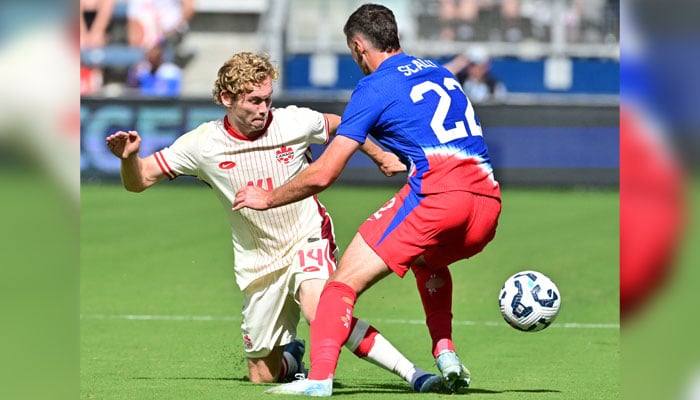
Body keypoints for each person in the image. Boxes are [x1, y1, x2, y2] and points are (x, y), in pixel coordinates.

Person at [105, 52, 444, 392]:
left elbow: (343, 124)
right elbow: (139, 181)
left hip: (307, 236)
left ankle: (414, 375)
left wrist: (382, 156)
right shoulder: (202, 144)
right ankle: (294, 357)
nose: (263, 108)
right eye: (253, 101)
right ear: (227, 99)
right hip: (259, 261)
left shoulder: (293, 122)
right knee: (262, 375)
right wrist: (130, 158)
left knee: (319, 309)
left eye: (267, 99)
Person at [233, 4, 502, 396]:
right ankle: (445, 351)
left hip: (439, 196)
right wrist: (389, 152)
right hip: (487, 205)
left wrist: (268, 197)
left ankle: (320, 378)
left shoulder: (373, 86)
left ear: (359, 46)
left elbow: (324, 173)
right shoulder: (440, 71)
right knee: (429, 260)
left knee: (338, 287)